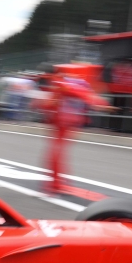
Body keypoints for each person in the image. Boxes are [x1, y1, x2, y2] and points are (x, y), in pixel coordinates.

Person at [38, 65, 109, 195]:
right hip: (69, 121)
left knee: (56, 153)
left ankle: (55, 184)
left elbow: (77, 93)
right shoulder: (63, 82)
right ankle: (58, 182)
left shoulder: (59, 83)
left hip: (63, 122)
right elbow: (79, 93)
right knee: (58, 153)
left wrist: (98, 102)